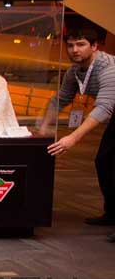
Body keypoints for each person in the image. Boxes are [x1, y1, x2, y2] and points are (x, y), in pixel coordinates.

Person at [39, 28, 115, 235]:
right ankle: (112, 213)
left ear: (94, 46)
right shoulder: (75, 72)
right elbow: (59, 100)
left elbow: (104, 108)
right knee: (104, 161)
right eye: (71, 45)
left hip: (111, 110)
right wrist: (43, 128)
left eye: (81, 44)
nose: (75, 50)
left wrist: (72, 138)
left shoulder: (108, 69)